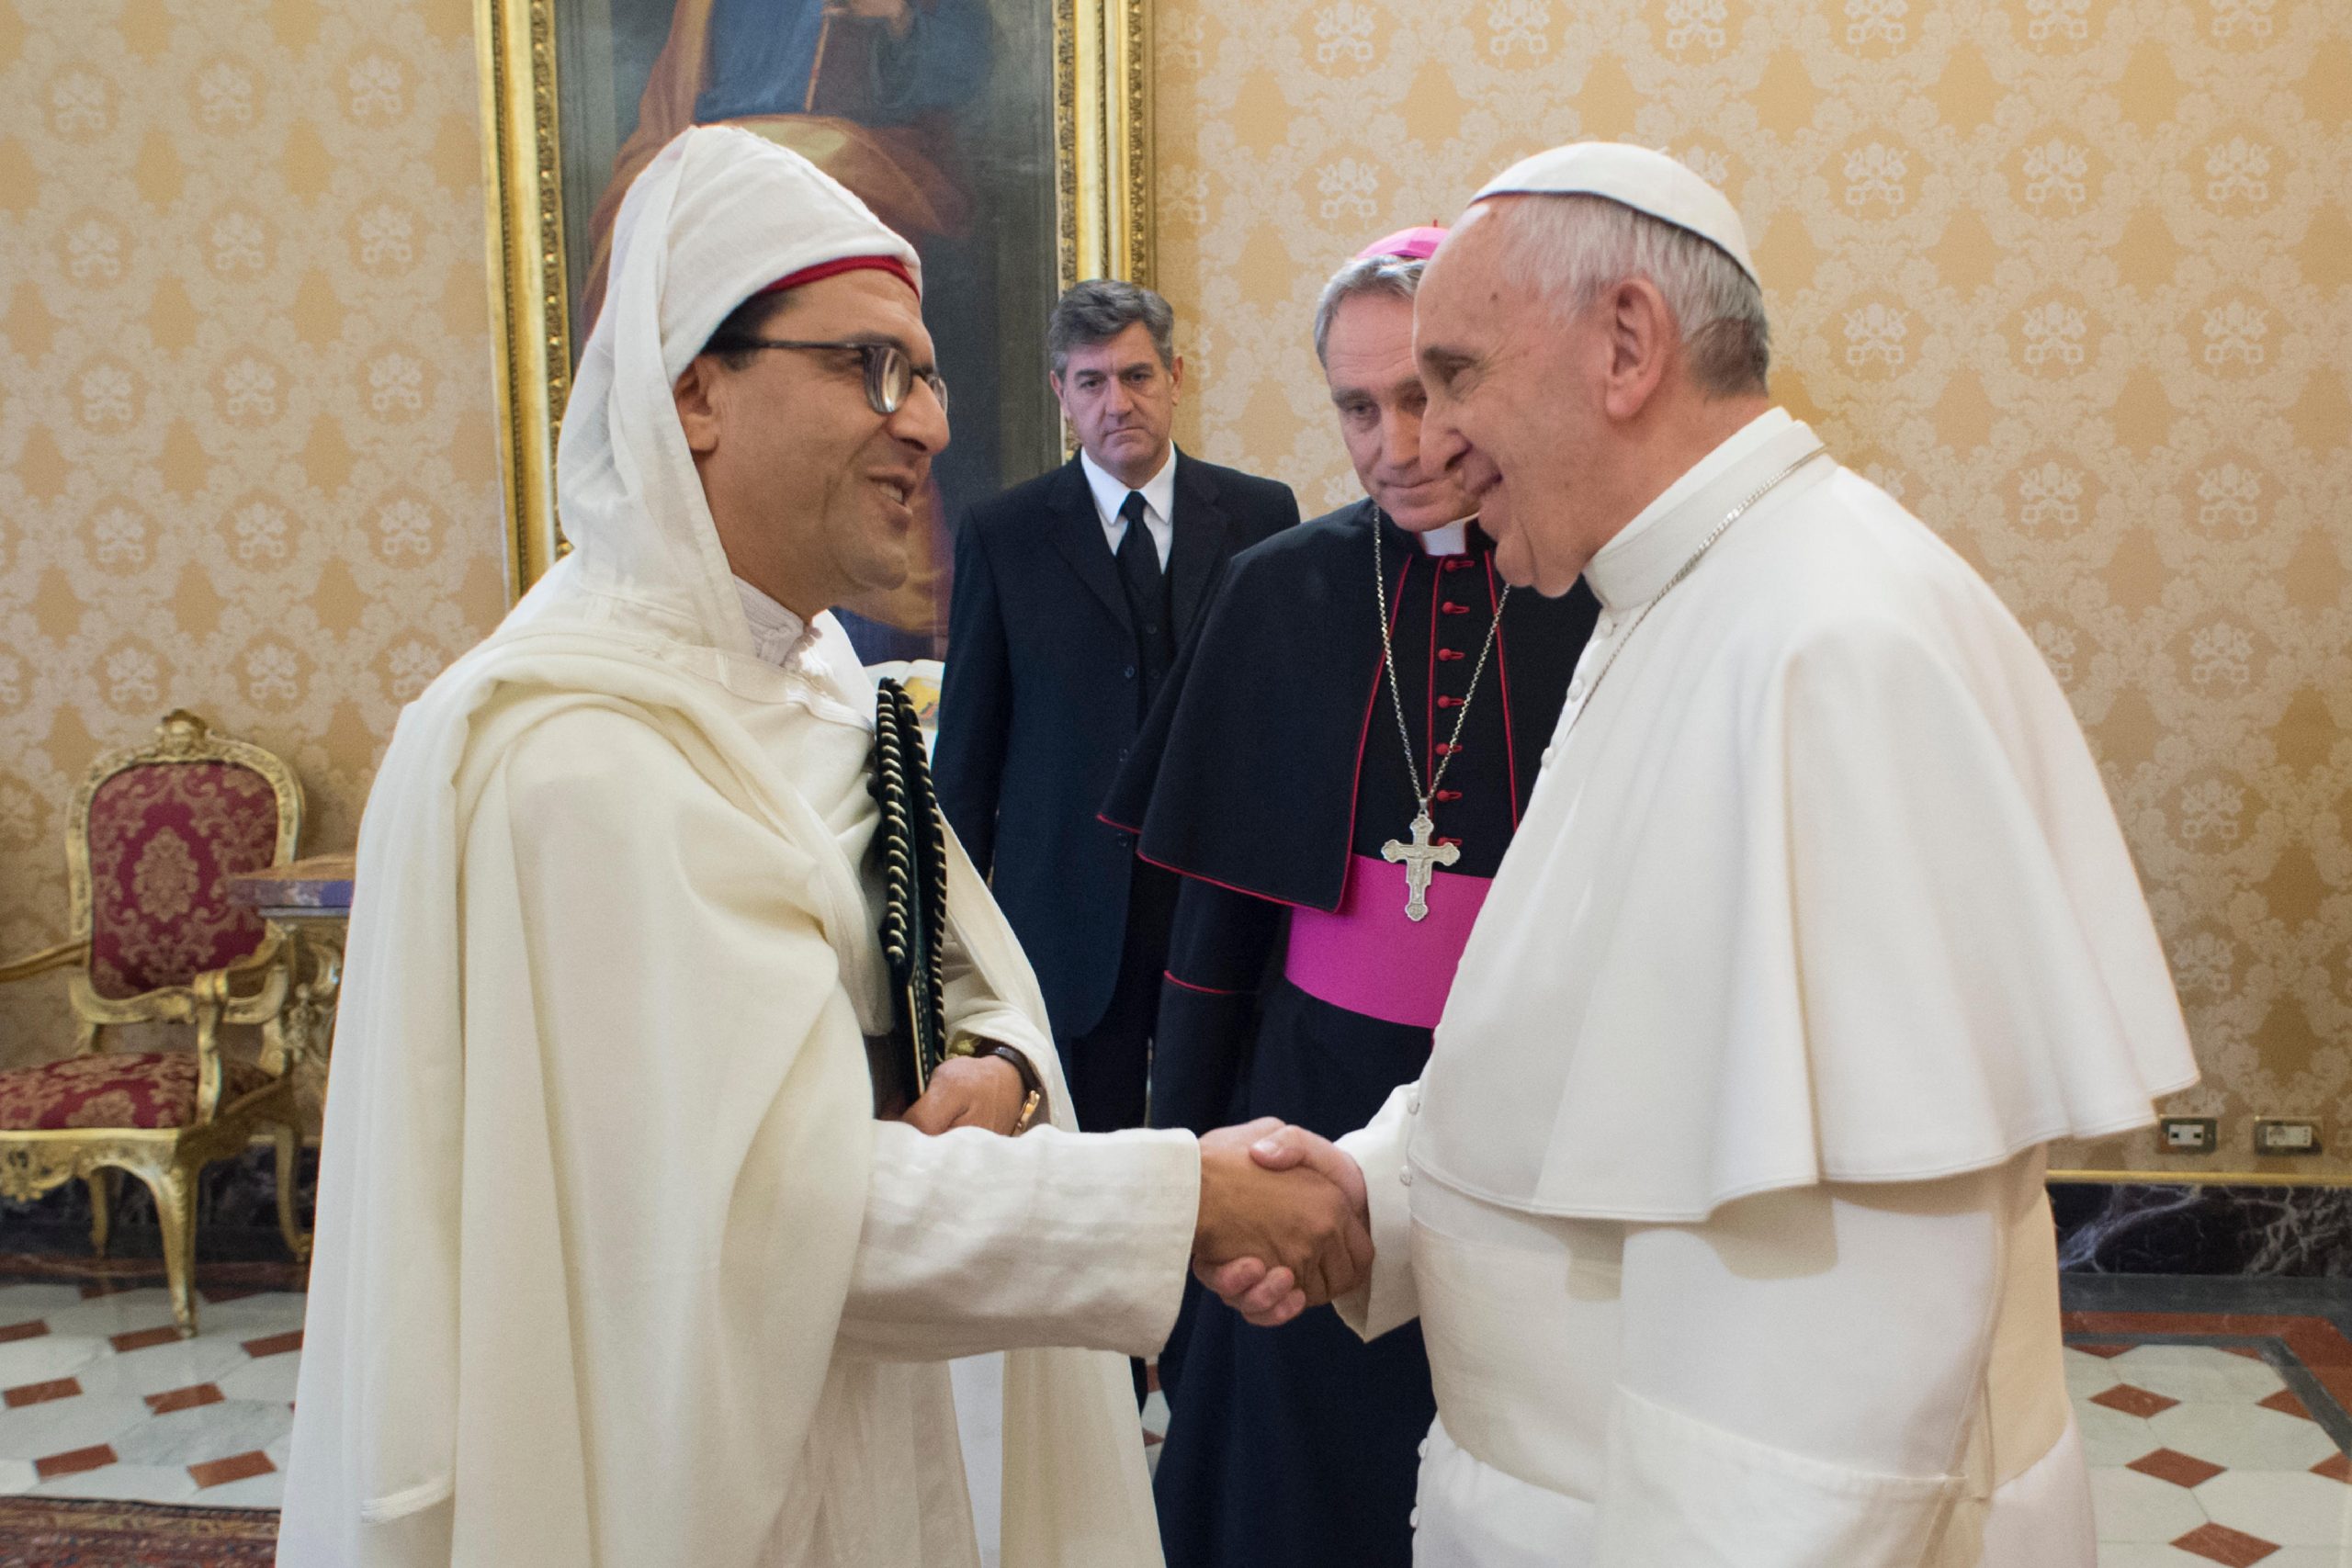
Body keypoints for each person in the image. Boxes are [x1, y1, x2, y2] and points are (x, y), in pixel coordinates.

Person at [277, 127, 1367, 1568]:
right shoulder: (579, 753)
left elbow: (963, 981)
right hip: (679, 1471)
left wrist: (1004, 1070)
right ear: (696, 391)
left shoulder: (824, 687)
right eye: (868, 366)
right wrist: (1196, 1195)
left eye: (921, 370)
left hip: (883, 1412)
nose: (922, 419)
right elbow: (783, 1225)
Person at [1207, 143, 2199, 1566]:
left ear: (1626, 343)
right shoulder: (1674, 599)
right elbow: (1595, 1056)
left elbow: (1838, 1351)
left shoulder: (1823, 646)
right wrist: (1384, 1193)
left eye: (1461, 377)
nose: (1431, 445)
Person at [1102, 228, 1597, 1568]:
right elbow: (1214, 941)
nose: (1396, 442)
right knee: (1298, 1482)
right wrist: (1186, 1190)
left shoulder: (1593, 582)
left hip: (1538, 1115)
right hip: (1308, 1097)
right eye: (1358, 405)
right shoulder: (1278, 590)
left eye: (1427, 396)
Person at [935, 282, 1300, 1135]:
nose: (1118, 402)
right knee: (1078, 1155)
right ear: (1060, 393)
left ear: (1176, 376)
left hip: (1216, 899)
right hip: (1061, 914)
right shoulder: (1004, 534)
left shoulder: (1260, 515)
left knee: (1217, 1136)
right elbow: (970, 757)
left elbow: (1285, 725)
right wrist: (954, 951)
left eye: (1137, 375)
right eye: (1091, 382)